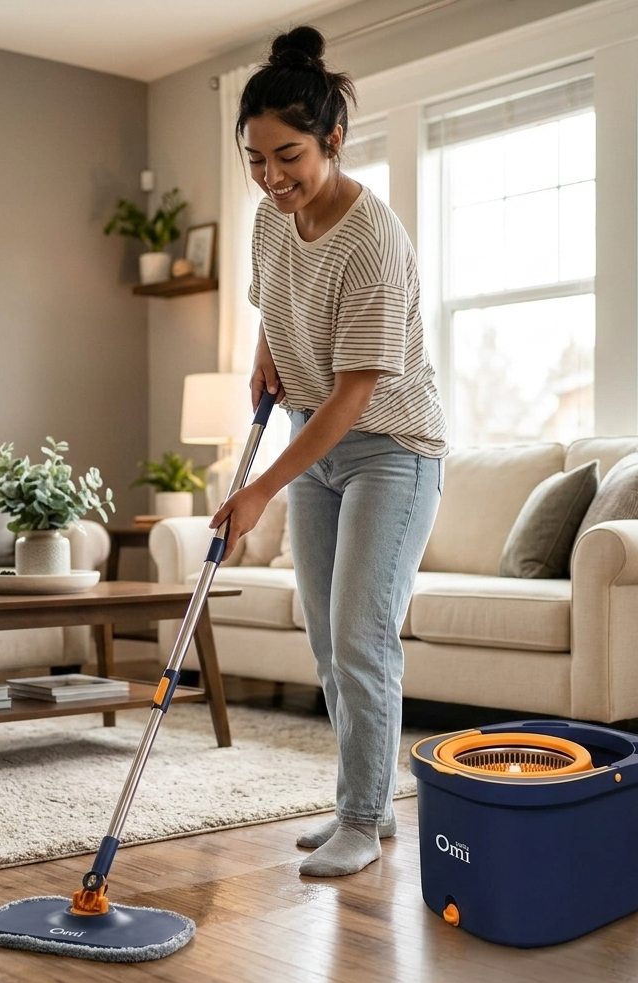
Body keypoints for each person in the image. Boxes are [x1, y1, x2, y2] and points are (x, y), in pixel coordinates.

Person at [209, 25, 448, 877]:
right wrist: (264, 351)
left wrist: (259, 490)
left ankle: (359, 819)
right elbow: (273, 298)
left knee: (361, 638)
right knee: (324, 638)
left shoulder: (374, 239)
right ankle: (367, 805)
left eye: (290, 157)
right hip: (321, 441)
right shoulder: (272, 221)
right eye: (256, 160)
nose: (272, 178)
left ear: (334, 140)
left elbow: (354, 393)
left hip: (391, 449)